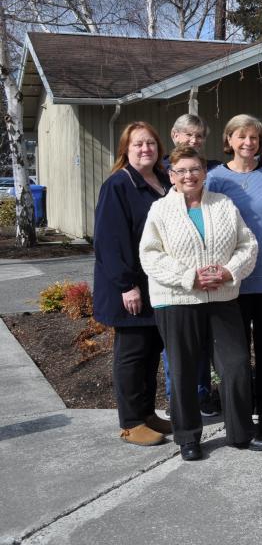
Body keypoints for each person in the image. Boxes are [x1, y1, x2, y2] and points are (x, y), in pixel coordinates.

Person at [139, 145, 262, 461]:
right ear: (171, 175)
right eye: (181, 170)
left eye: (194, 169)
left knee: (236, 365)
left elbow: (248, 245)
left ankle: (240, 433)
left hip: (222, 298)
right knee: (183, 370)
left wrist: (228, 271)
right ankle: (188, 438)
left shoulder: (223, 204)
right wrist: (190, 277)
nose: (189, 175)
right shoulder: (160, 210)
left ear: (204, 172)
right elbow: (150, 255)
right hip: (177, 300)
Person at [205, 114, 262, 439]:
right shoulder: (214, 179)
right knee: (236, 351)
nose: (248, 143)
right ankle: (239, 410)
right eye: (241, 137)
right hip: (231, 279)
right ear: (229, 140)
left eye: (254, 137)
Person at [93, 122, 173, 446]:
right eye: (138, 144)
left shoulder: (164, 181)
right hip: (130, 287)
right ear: (126, 149)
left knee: (151, 351)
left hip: (158, 283)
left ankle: (147, 413)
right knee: (132, 353)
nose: (145, 149)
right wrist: (127, 285)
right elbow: (109, 241)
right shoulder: (118, 185)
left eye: (151, 144)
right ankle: (129, 422)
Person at [162, 113, 219, 418]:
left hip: (207, 278)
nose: (193, 141)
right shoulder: (164, 175)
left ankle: (203, 394)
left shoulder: (208, 175)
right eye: (188, 135)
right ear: (175, 135)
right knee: (177, 349)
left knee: (202, 345)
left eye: (199, 136)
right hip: (174, 281)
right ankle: (178, 402)